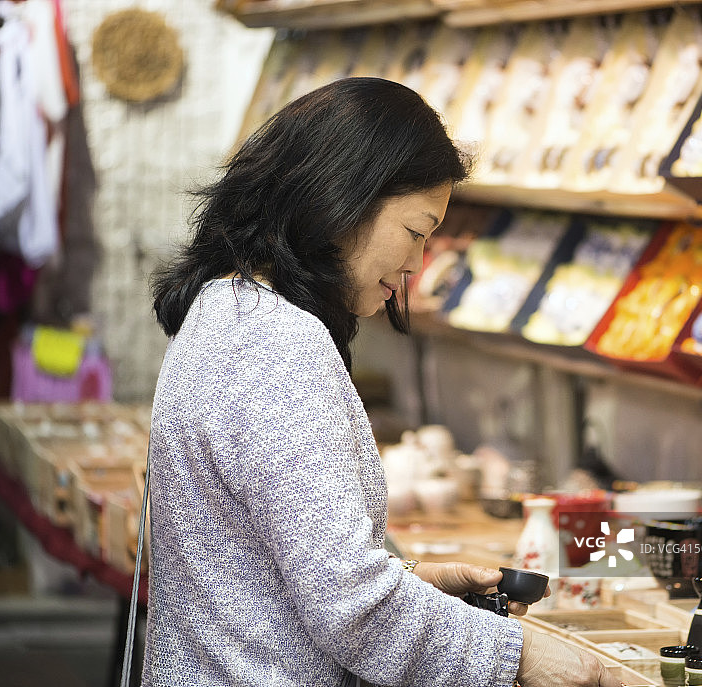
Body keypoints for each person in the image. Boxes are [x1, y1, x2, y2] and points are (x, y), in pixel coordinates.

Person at [145, 76, 621, 687]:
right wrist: (520, 654)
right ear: (342, 200)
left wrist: (410, 580)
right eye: (416, 232)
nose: (415, 265)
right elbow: (352, 609)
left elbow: (262, 575)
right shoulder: (278, 344)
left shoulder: (227, 308)